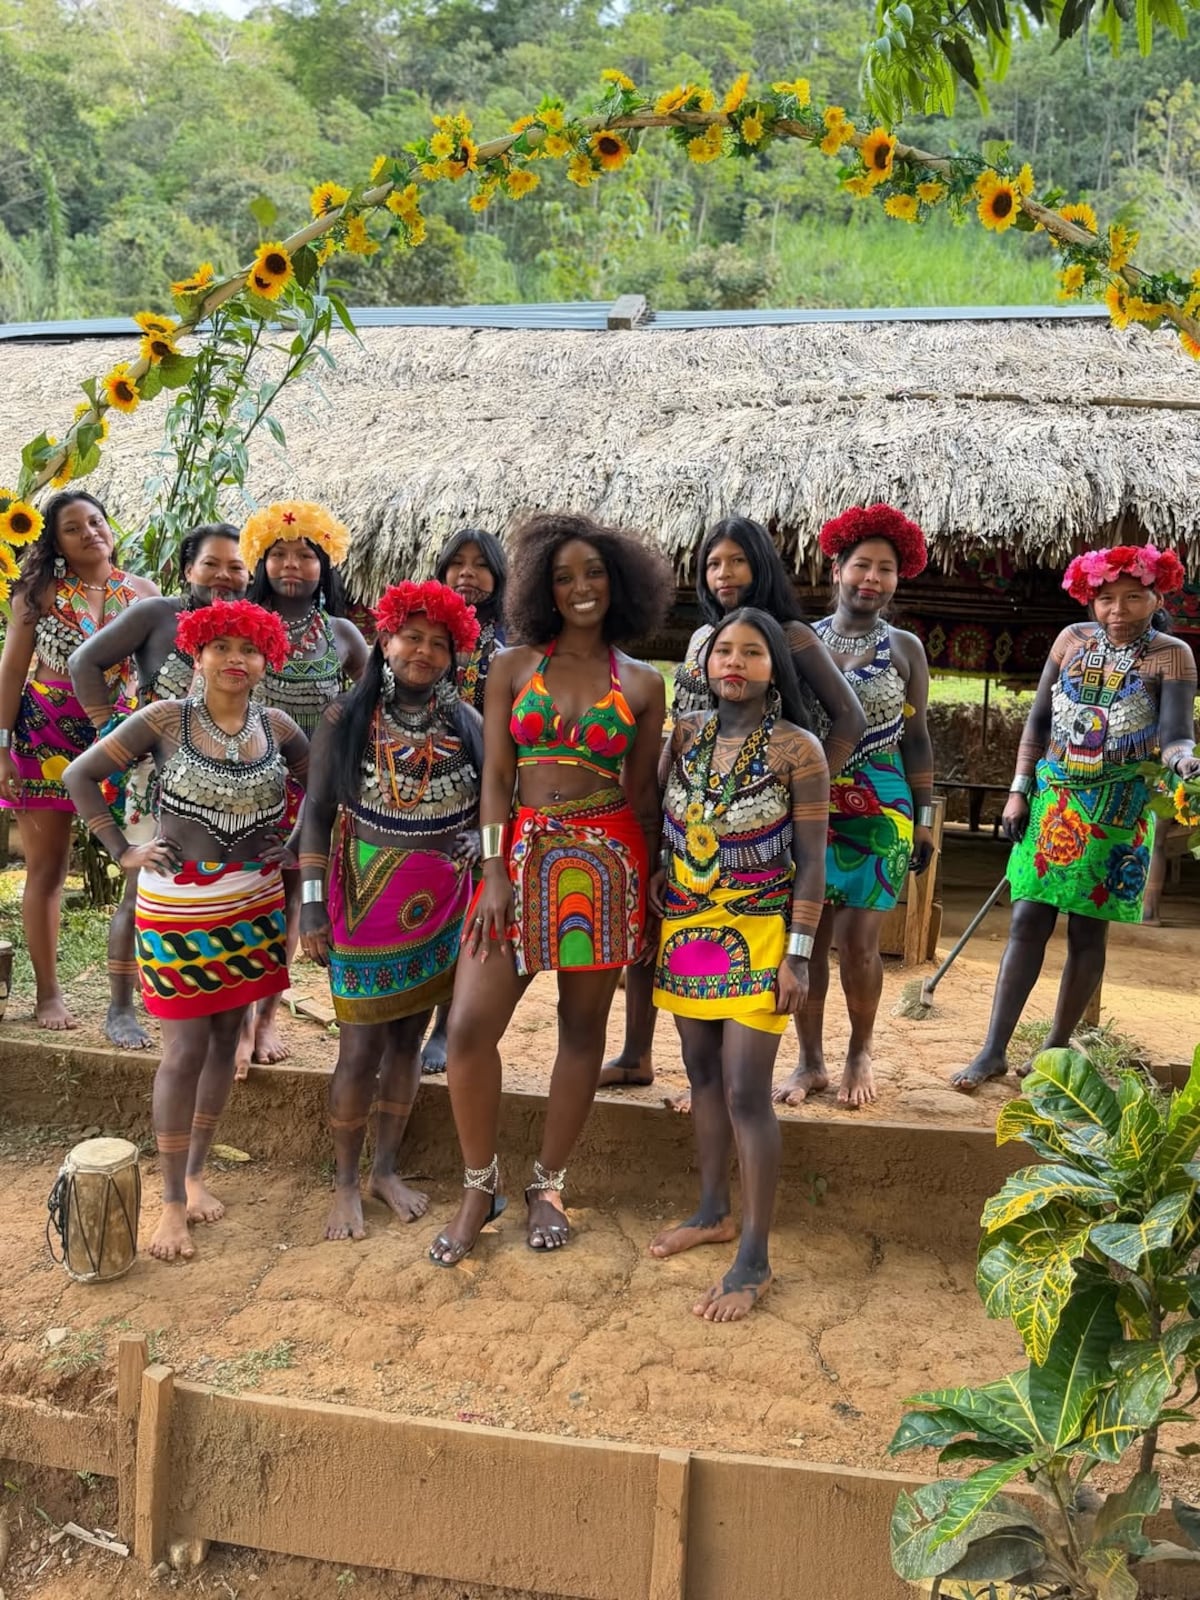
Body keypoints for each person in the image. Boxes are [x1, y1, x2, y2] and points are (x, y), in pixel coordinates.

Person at [429, 511, 672, 1265]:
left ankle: (548, 1183)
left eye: (594, 574)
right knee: (469, 1027)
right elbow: (498, 777)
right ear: (543, 586)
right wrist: (495, 870)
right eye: (564, 576)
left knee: (579, 1029)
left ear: (618, 582)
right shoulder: (513, 669)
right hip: (522, 857)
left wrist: (653, 879)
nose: (580, 588)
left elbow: (641, 797)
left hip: (607, 865)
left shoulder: (641, 682)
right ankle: (479, 1185)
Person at [64, 600, 308, 1260]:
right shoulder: (166, 720)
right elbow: (78, 774)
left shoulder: (279, 728)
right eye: (221, 646)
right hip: (178, 909)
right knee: (182, 1051)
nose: (236, 659)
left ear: (267, 660)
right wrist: (122, 850)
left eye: (250, 649)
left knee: (228, 1037)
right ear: (196, 654)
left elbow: (322, 795)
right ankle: (170, 1203)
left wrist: (292, 845)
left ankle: (197, 1173)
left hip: (254, 907)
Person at [600, 513, 865, 1096]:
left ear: (761, 564)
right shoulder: (703, 639)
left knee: (782, 948)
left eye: (737, 560)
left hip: (763, 818)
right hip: (698, 820)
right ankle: (639, 1052)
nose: (725, 574)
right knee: (663, 923)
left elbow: (851, 716)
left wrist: (798, 787)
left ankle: (803, 1061)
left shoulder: (791, 634)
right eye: (713, 563)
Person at [951, 541, 1199, 1091]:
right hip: (1054, 801)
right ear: (1090, 599)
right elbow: (1038, 723)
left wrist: (1186, 763)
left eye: (1133, 598)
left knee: (1089, 931)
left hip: (1119, 808)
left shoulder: (1173, 654)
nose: (1118, 611)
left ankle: (1054, 1052)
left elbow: (1176, 734)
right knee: (1026, 920)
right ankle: (992, 1050)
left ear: (1156, 596)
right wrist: (1018, 793)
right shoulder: (1070, 642)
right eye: (1106, 599)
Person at [650, 608, 829, 1320]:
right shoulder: (684, 736)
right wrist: (664, 874)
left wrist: (799, 956)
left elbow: (813, 863)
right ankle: (712, 1211)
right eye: (724, 650)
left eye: (752, 652)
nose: (735, 663)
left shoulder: (798, 749)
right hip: (688, 931)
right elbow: (656, 817)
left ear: (773, 669)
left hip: (761, 935)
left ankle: (754, 1257)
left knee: (747, 1090)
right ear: (703, 663)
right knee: (699, 1074)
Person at [298, 581, 483, 1241]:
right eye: (412, 637)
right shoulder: (343, 718)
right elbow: (316, 815)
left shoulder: (469, 726)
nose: (424, 652)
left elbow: (498, 815)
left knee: (407, 1041)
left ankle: (387, 1168)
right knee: (359, 1047)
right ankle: (345, 1183)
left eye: (440, 643)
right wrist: (312, 909)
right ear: (384, 638)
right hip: (362, 900)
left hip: (441, 909)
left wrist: (477, 841)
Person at [773, 504, 935, 1110]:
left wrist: (921, 819)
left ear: (898, 579)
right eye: (861, 565)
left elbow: (917, 739)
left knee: (862, 943)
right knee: (805, 939)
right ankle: (809, 1060)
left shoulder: (907, 648)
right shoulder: (798, 640)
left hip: (883, 808)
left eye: (886, 569)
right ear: (836, 567)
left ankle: (858, 1051)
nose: (872, 578)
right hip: (811, 806)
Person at [68, 523, 249, 1051]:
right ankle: (121, 1006)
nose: (223, 576)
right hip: (157, 781)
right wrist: (112, 729)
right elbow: (84, 661)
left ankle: (204, 994)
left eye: (236, 566)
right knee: (141, 886)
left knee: (218, 891)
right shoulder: (156, 616)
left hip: (230, 786)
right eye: (210, 564)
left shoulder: (247, 626)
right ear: (187, 568)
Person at [0, 492, 158, 1031]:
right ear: (56, 541)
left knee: (140, 867)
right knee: (47, 869)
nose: (90, 532)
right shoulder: (38, 593)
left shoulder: (144, 594)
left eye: (96, 521)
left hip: (121, 740)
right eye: (73, 528)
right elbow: (11, 671)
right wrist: (1, 749)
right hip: (42, 740)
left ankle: (137, 996)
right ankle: (48, 994)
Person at [239, 501, 368, 1067]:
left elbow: (372, 700)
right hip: (243, 782)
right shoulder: (244, 625)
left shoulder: (341, 633)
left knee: (291, 904)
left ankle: (264, 1020)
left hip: (312, 791)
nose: (292, 565)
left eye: (305, 555)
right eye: (279, 554)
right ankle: (233, 1015)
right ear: (260, 562)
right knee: (243, 900)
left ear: (326, 564)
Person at [420, 527, 507, 1075]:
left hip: (482, 799)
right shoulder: (425, 637)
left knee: (464, 916)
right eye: (458, 564)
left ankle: (444, 1026)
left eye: (481, 565)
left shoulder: (508, 649)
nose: (468, 574)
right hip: (414, 795)